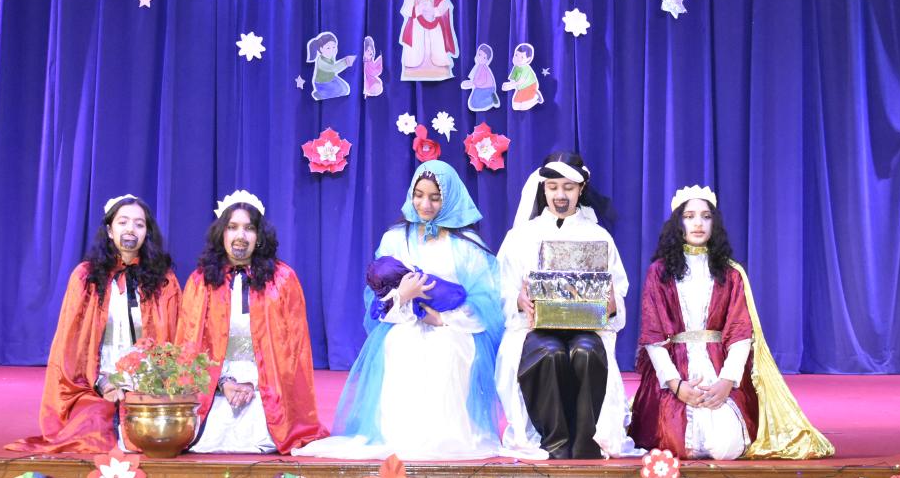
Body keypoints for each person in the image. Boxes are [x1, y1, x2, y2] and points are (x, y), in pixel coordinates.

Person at [293, 160, 503, 460]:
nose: (425, 205)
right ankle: (400, 435)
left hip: (453, 326)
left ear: (450, 198)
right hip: (404, 321)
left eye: (435, 197)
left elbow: (486, 301)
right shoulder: (395, 239)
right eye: (419, 195)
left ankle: (445, 436)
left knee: (448, 350)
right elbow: (376, 297)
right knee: (401, 345)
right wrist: (404, 297)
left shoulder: (468, 244)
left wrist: (442, 318)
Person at [628, 186, 833, 460]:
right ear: (678, 223)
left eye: (705, 216)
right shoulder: (659, 273)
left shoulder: (730, 273)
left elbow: (740, 333)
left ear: (715, 223)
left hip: (719, 369)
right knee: (675, 444)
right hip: (675, 372)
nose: (698, 223)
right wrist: (677, 385)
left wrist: (726, 381)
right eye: (689, 216)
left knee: (726, 447)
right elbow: (653, 336)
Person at [7, 195, 180, 453]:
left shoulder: (163, 280)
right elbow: (72, 348)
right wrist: (103, 383)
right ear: (110, 230)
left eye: (139, 224)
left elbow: (173, 342)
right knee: (93, 429)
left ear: (147, 233)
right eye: (123, 222)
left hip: (148, 383)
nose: (131, 229)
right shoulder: (85, 277)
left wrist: (147, 383)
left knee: (155, 431)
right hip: (97, 381)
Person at [495, 152, 638, 459]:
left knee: (586, 352)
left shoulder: (599, 237)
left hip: (587, 329)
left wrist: (612, 305)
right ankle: (555, 443)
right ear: (543, 189)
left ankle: (586, 442)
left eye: (568, 187)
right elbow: (500, 289)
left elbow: (618, 293)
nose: (560, 195)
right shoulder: (520, 236)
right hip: (531, 329)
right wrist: (518, 300)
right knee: (548, 353)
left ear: (581, 189)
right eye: (553, 187)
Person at [178, 190, 328, 453]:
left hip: (268, 388)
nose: (241, 235)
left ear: (259, 236)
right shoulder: (200, 281)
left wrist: (254, 384)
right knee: (207, 438)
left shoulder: (283, 279)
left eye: (249, 228)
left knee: (263, 436)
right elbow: (189, 348)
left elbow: (294, 352)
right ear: (221, 233)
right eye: (232, 227)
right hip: (216, 386)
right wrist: (224, 383)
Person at [399, 0, 457, 81]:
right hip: (416, 24)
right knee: (416, 45)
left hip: (433, 24)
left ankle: (439, 68)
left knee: (436, 44)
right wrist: (417, 10)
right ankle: (414, 68)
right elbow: (405, 9)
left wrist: (434, 11)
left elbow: (444, 5)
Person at [307, 31, 356, 101]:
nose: (332, 50)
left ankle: (323, 93)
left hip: (331, 78)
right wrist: (345, 62)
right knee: (340, 91)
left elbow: (333, 67)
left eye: (334, 47)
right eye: (328, 48)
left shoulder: (331, 56)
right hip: (322, 84)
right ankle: (320, 94)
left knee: (345, 89)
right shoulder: (320, 61)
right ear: (321, 49)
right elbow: (333, 69)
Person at [501, 43, 543, 111]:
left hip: (529, 86)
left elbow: (520, 81)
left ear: (528, 59)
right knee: (515, 106)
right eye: (516, 55)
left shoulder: (526, 68)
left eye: (522, 57)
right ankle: (533, 97)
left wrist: (510, 86)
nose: (518, 59)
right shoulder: (516, 67)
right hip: (520, 88)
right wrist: (507, 85)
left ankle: (536, 96)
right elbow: (512, 79)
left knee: (523, 106)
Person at [460, 43, 500, 112]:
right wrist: (471, 83)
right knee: (473, 102)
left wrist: (473, 83)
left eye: (484, 58)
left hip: (487, 89)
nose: (481, 58)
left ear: (487, 60)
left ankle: (491, 99)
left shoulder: (483, 68)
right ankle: (491, 97)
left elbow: (482, 81)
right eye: (479, 55)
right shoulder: (479, 66)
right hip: (480, 87)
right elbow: (476, 78)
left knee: (475, 103)